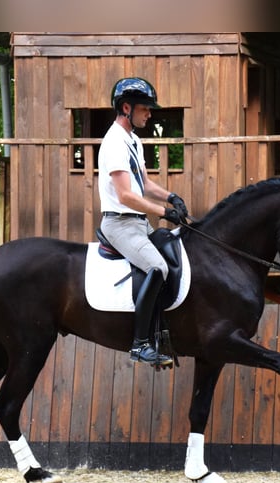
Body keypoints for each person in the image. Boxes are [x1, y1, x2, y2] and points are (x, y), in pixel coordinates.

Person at [98, 77, 189, 366]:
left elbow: (144, 184)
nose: (149, 114)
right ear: (126, 108)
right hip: (120, 224)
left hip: (138, 223)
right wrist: (163, 213)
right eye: (145, 109)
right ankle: (139, 344)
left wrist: (171, 197)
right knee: (157, 266)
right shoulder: (114, 142)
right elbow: (125, 195)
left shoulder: (133, 140)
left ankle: (164, 333)